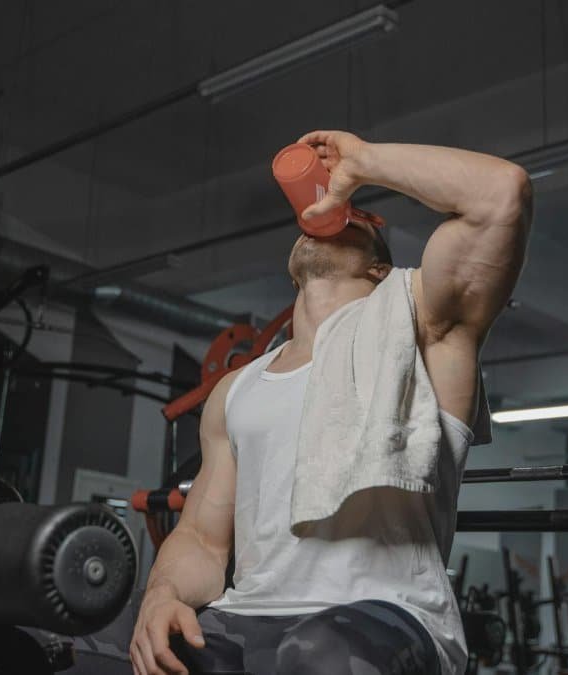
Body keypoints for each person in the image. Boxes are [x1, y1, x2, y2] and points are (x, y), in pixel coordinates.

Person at [69, 130, 531, 675]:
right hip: (247, 618)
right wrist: (162, 595)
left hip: (385, 620)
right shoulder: (236, 390)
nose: (330, 210)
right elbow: (199, 538)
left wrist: (363, 164)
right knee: (72, 639)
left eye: (353, 215)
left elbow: (503, 192)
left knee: (315, 656)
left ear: (380, 270)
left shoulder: (425, 331)